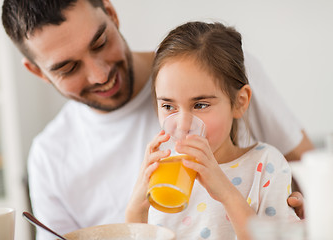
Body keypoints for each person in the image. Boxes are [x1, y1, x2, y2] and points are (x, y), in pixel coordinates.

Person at [1, 0, 312, 239]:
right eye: (68, 68)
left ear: (111, 13)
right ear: (37, 72)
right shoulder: (48, 156)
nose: (99, 74)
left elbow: (315, 177)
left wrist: (312, 212)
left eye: (100, 43)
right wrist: (135, 209)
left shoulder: (222, 70)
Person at [125, 21, 300, 240]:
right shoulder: (161, 176)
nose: (182, 125)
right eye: (169, 106)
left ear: (239, 102)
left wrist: (226, 193)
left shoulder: (265, 165)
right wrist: (135, 212)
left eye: (200, 105)